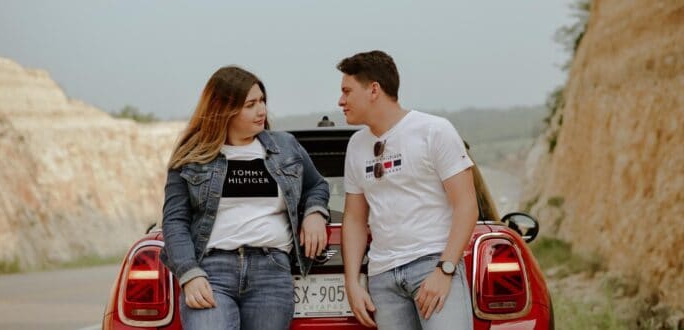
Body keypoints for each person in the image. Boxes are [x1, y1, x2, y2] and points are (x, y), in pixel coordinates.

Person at [160, 66, 330, 330]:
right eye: (250, 104)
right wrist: (189, 274)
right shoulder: (192, 156)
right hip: (212, 271)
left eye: (262, 101)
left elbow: (316, 185)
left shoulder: (285, 147)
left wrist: (315, 213)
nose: (262, 110)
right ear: (224, 109)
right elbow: (175, 221)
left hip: (271, 273)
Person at [338, 50, 478, 330]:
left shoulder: (434, 131)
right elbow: (354, 217)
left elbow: (466, 205)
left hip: (432, 265)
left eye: (347, 91)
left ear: (373, 89)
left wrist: (445, 269)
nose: (341, 101)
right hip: (383, 279)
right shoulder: (356, 145)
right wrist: (352, 282)